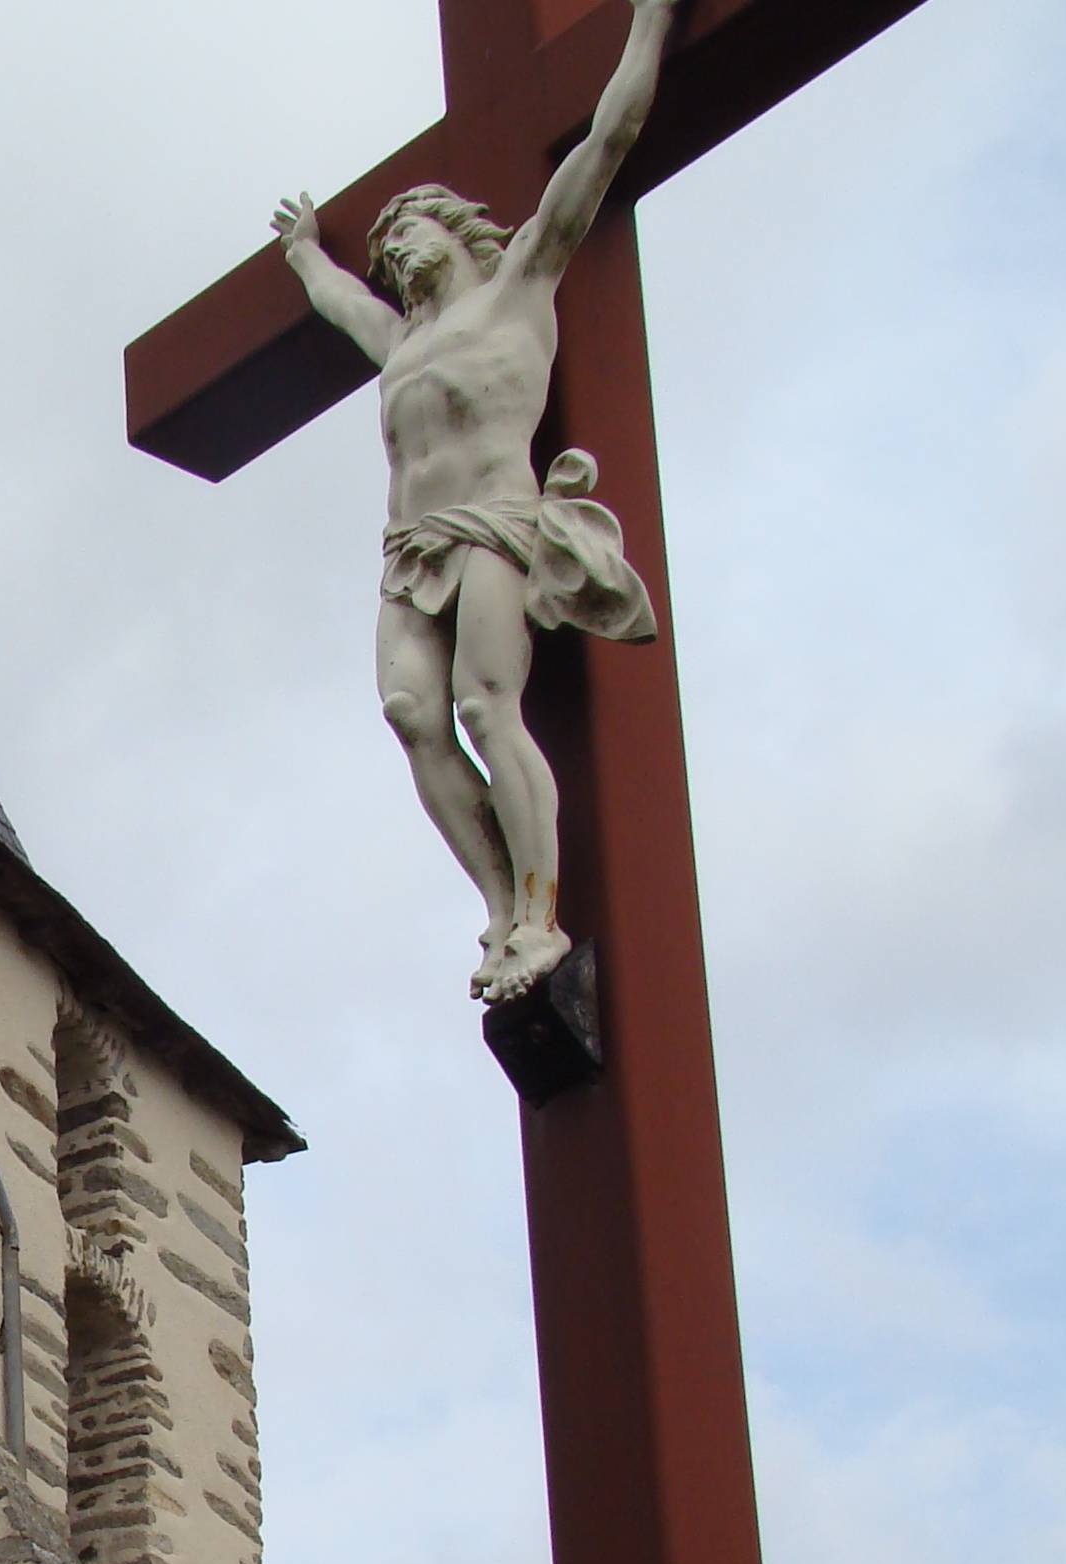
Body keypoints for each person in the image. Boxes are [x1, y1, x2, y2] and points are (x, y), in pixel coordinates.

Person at [273, 0, 677, 1003]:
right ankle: (498, 905)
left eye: (404, 231)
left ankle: (539, 918)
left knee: (484, 707)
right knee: (412, 712)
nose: (394, 253)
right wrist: (303, 255)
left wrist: (650, 27)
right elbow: (340, 303)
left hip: (494, 526)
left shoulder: (520, 288)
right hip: (409, 547)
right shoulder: (400, 342)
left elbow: (609, 136)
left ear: (449, 231)